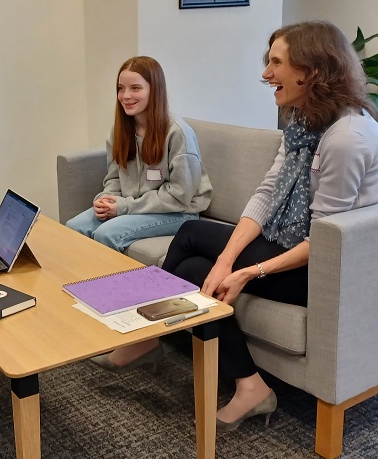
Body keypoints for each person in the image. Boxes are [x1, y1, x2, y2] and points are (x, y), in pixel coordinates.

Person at [92, 21, 378, 432]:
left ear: (312, 70)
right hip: (289, 245)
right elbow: (265, 194)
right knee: (195, 268)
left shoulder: (348, 138)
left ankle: (149, 333)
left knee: (191, 237)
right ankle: (250, 385)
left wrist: (247, 270)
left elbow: (326, 241)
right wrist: (226, 261)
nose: (265, 74)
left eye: (276, 63)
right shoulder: (302, 120)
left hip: (326, 274)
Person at [65, 56, 212, 253]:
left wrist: (124, 206)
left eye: (135, 88)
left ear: (155, 89)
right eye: (120, 88)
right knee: (73, 227)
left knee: (106, 234)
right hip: (134, 207)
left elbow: (180, 196)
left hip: (179, 212)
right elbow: (114, 178)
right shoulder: (119, 131)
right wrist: (106, 199)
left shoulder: (178, 133)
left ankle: (107, 285)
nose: (125, 95)